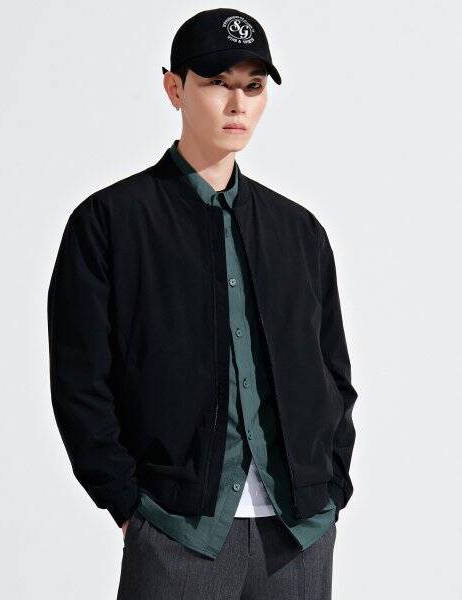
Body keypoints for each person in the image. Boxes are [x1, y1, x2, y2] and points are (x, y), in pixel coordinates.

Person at [47, 8, 358, 599]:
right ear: (174, 88)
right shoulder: (109, 223)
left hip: (299, 534)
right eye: (217, 82)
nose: (237, 104)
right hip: (177, 531)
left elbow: (334, 376)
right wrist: (127, 506)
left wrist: (332, 490)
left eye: (253, 86)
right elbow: (79, 382)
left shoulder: (300, 232)